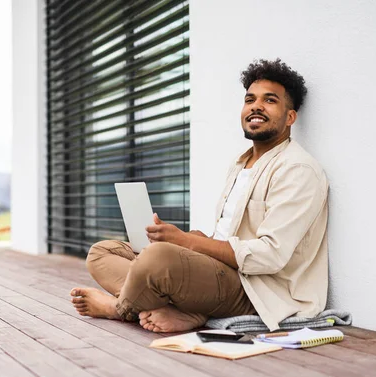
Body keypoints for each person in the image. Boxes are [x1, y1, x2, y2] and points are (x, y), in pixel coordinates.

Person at [71, 59, 329, 333]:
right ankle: (176, 309)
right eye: (250, 99)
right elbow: (230, 237)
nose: (256, 106)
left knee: (157, 260)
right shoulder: (241, 164)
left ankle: (121, 308)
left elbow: (269, 256)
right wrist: (197, 240)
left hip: (258, 289)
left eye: (270, 101)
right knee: (102, 252)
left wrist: (186, 243)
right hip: (222, 272)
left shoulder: (298, 169)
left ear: (290, 117)